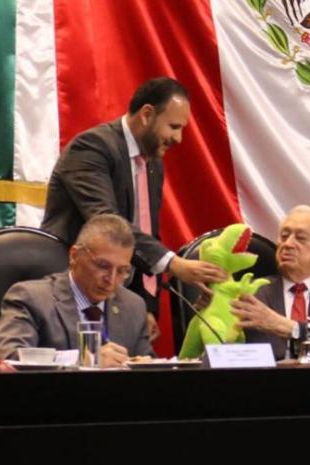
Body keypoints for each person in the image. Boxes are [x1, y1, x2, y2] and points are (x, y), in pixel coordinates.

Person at [41, 77, 226, 339]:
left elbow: (145, 233)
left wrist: (145, 305)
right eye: (174, 126)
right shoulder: (92, 148)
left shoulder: (153, 163)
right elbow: (108, 224)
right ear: (147, 114)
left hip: (117, 298)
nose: (179, 138)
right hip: (69, 298)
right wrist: (173, 264)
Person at [0, 214, 153, 368]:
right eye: (103, 266)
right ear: (75, 256)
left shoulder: (133, 306)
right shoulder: (30, 299)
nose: (111, 280)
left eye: (122, 271)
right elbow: (9, 359)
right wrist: (85, 360)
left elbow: (147, 365)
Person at [229, 205, 310, 362]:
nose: (288, 244)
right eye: (284, 236)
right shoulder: (250, 291)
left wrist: (288, 327)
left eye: (300, 238)